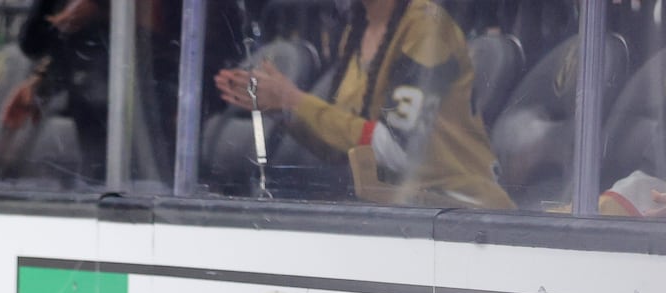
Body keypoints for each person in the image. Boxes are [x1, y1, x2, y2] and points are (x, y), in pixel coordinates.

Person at [213, 0, 513, 209]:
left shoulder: (427, 27)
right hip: (398, 211)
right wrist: (280, 108)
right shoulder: (356, 33)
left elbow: (395, 150)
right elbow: (342, 146)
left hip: (463, 214)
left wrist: (293, 100)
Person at [1, 0, 110, 184]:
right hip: (86, 104)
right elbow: (33, 40)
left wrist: (102, 10)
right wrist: (40, 81)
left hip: (134, 109)